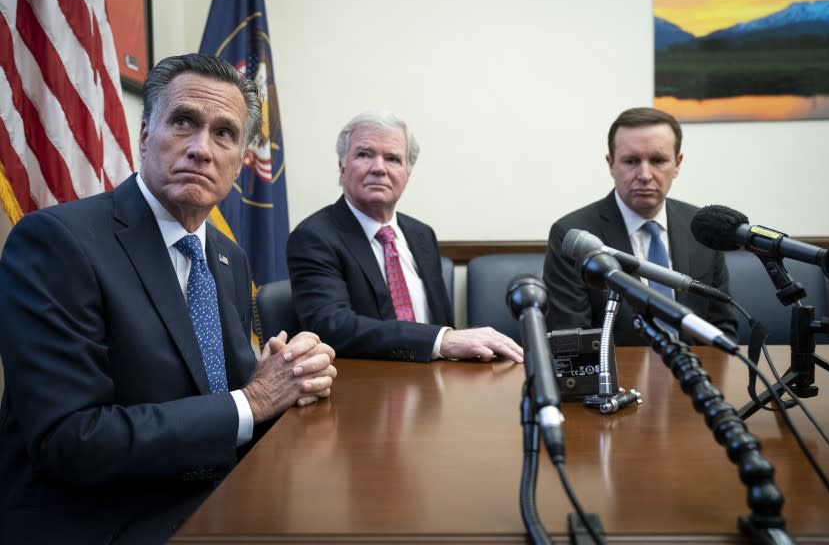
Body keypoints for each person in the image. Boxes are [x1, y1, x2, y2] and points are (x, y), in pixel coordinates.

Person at [0, 53, 337, 544]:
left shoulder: (227, 256)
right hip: (100, 518)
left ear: (242, 160)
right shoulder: (57, 242)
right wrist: (257, 397)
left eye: (224, 133)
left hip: (215, 496)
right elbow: (72, 440)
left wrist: (290, 378)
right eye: (183, 122)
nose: (202, 149)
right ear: (144, 134)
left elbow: (219, 395)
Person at [286, 110, 523, 363]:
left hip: (438, 382)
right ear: (342, 166)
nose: (379, 168)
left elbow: (442, 323)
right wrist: (440, 340)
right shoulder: (314, 237)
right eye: (364, 154)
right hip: (364, 387)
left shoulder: (421, 234)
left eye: (392, 158)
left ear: (407, 174)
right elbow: (332, 327)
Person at [543, 107, 738, 346]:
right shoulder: (573, 234)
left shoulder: (702, 228)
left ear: (677, 164)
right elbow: (573, 339)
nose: (645, 174)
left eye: (658, 160)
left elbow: (723, 329)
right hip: (617, 378)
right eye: (631, 161)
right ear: (611, 164)